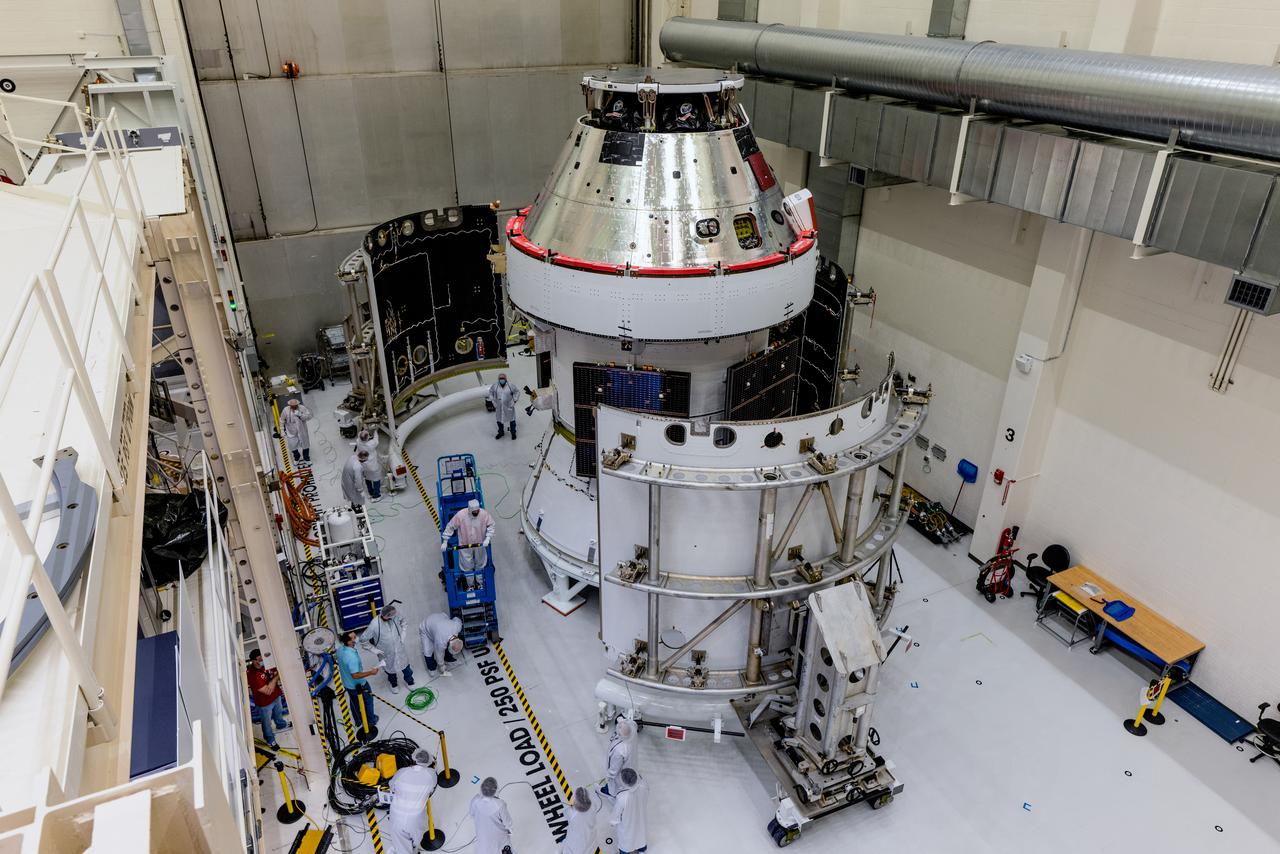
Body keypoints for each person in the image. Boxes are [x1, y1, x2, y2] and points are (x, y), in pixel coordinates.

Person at [383, 747, 438, 854]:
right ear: (428, 762)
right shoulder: (431, 775)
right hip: (415, 819)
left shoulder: (402, 772)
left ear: (413, 759)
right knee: (415, 841)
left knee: (401, 845)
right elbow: (431, 790)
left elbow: (392, 786)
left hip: (396, 816)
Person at [360, 604, 414, 694]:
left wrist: (403, 632)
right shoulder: (374, 625)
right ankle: (394, 684)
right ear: (385, 616)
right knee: (390, 670)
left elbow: (403, 620)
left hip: (399, 648)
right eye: (390, 618)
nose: (393, 618)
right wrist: (373, 649)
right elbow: (363, 639)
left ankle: (410, 681)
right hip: (386, 653)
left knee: (405, 666)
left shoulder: (394, 615)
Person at [336, 630, 381, 728]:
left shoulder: (340, 649)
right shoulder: (352, 657)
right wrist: (371, 672)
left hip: (347, 684)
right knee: (368, 701)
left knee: (354, 703)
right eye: (354, 637)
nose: (356, 638)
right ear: (349, 642)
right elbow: (355, 675)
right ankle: (371, 721)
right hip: (359, 685)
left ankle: (358, 720)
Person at [246, 649, 290, 749]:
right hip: (264, 703)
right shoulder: (252, 675)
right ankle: (270, 739)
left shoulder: (268, 663)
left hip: (276, 696)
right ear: (253, 661)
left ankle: (281, 725)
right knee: (266, 723)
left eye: (262, 658)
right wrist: (275, 679)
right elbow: (267, 691)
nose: (261, 661)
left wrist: (272, 682)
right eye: (259, 660)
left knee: (279, 713)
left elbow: (279, 672)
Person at [441, 499, 495, 570]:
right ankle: (469, 576)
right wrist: (445, 541)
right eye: (474, 512)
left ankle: (480, 575)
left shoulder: (484, 514)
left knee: (480, 561)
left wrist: (488, 538)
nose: (476, 513)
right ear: (469, 510)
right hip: (465, 544)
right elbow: (450, 526)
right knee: (466, 563)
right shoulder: (461, 515)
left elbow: (491, 525)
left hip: (480, 543)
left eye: (477, 511)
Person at [469, 777, 514, 854]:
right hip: (500, 837)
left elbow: (472, 814)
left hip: (482, 837)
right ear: (495, 790)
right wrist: (510, 831)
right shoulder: (500, 804)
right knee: (505, 850)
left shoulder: (475, 799)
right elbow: (508, 823)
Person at [609, 768, 648, 854]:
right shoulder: (644, 786)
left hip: (627, 825)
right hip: (640, 818)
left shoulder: (622, 797)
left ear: (624, 782)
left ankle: (624, 852)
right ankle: (642, 850)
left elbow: (616, 814)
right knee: (641, 835)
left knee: (626, 842)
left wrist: (613, 822)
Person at [561, 786, 601, 854]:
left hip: (576, 841)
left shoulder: (571, 813)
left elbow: (565, 813)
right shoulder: (593, 804)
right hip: (590, 835)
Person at [602, 717, 636, 797]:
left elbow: (614, 769)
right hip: (625, 769)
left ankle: (610, 793)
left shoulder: (619, 751)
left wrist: (609, 776)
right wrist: (622, 722)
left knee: (613, 785)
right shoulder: (629, 739)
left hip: (618, 774)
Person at [280, 398, 312, 464]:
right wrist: (282, 430)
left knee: (305, 445)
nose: (294, 407)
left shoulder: (302, 408)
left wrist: (300, 415)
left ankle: (306, 458)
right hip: (291, 432)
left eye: (295, 405)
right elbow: (282, 420)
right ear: (290, 405)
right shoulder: (285, 410)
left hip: (302, 430)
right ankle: (297, 457)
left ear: (297, 404)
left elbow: (309, 417)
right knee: (293, 446)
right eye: (292, 406)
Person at [488, 373, 519, 440]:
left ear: (506, 379)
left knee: (512, 420)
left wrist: (514, 400)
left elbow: (517, 392)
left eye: (503, 378)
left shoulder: (511, 385)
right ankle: (501, 433)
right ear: (498, 379)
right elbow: (490, 392)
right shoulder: (495, 386)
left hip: (509, 406)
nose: (502, 380)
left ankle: (513, 433)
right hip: (499, 406)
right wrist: (493, 401)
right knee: (499, 420)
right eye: (500, 378)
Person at [356, 429, 382, 502]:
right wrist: (375, 431)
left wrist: (364, 430)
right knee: (376, 479)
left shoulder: (358, 442)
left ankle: (370, 493)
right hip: (372, 466)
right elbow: (376, 439)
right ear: (367, 438)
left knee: (368, 479)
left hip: (364, 465)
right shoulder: (371, 444)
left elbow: (360, 435)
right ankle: (376, 496)